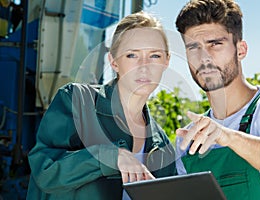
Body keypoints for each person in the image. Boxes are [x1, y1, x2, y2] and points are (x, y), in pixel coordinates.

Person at [27, 11, 177, 200]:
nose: (144, 66)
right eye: (132, 55)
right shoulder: (77, 101)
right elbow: (45, 172)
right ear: (114, 62)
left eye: (154, 56)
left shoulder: (162, 144)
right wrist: (110, 157)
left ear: (166, 61)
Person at [174, 0, 260, 199]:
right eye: (193, 47)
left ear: (241, 50)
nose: (204, 57)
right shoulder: (188, 137)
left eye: (215, 44)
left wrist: (227, 136)